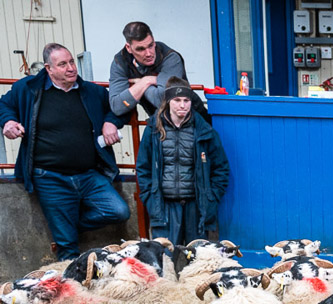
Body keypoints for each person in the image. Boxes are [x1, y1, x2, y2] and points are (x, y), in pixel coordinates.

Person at [0, 43, 130, 261]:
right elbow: (3, 105)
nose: (71, 68)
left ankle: (67, 226)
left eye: (71, 62)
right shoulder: (29, 88)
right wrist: (9, 122)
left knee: (118, 211)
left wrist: (110, 122)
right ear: (49, 69)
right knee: (68, 248)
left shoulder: (92, 91)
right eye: (62, 64)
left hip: (89, 175)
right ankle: (69, 274)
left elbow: (119, 109)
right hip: (50, 177)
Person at [136, 77, 229, 245]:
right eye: (177, 100)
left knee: (197, 256)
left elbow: (220, 168)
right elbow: (143, 168)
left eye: (186, 100)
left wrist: (211, 197)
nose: (182, 105)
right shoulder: (153, 130)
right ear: (168, 101)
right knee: (165, 256)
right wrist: (150, 198)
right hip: (164, 206)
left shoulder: (204, 131)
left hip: (196, 207)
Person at [109, 21, 208, 120]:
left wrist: (142, 83)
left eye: (150, 45)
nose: (149, 53)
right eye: (140, 49)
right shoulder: (120, 62)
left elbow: (164, 101)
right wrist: (146, 82)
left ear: (154, 41)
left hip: (194, 120)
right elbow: (117, 106)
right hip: (160, 121)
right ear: (128, 48)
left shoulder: (170, 57)